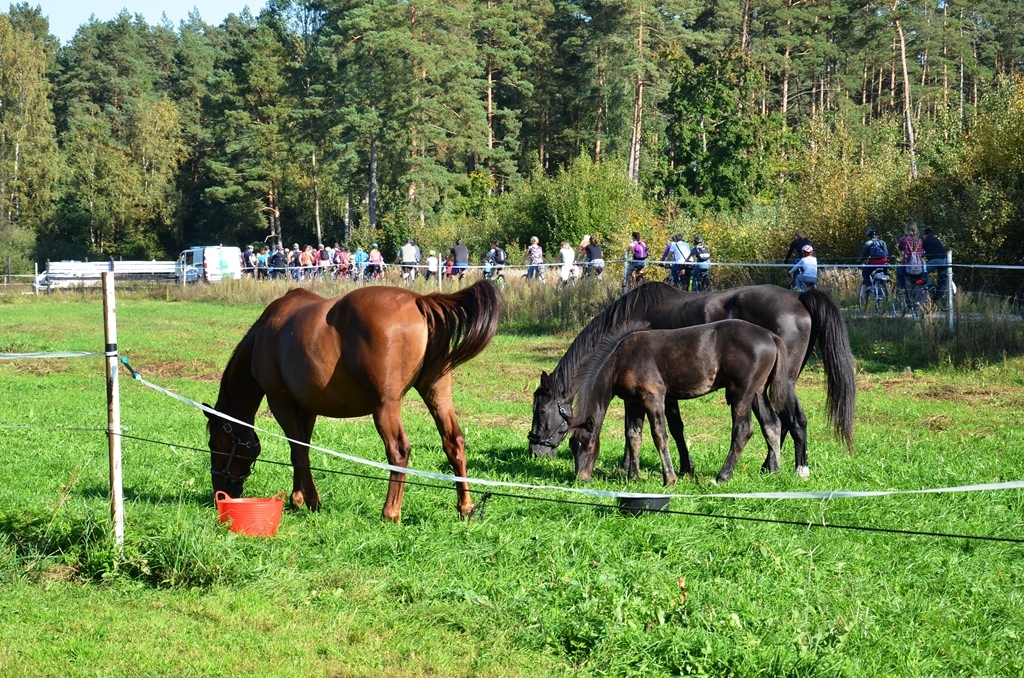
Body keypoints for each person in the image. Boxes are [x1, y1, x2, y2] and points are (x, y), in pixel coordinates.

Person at [896, 221, 925, 292]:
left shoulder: (904, 239)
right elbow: (922, 252)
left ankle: (902, 288)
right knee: (922, 278)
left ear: (907, 229)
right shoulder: (920, 240)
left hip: (907, 267)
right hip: (919, 267)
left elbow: (900, 248)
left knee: (899, 271)